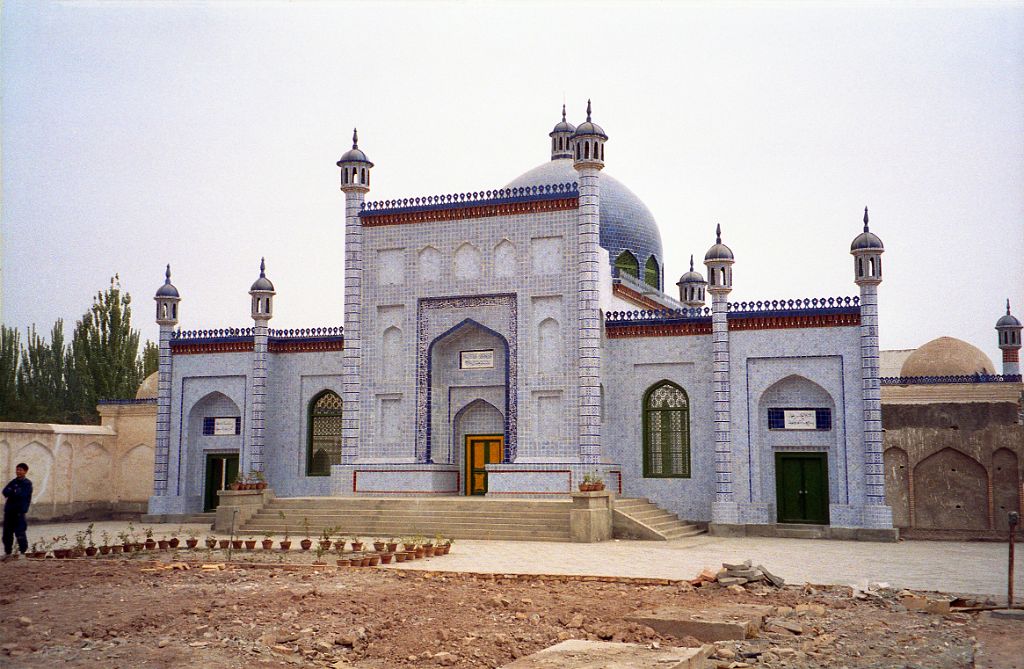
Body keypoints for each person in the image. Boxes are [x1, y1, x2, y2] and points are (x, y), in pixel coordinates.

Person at [3, 463, 32, 559]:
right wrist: (14, 491)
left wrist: (13, 491)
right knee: (7, 533)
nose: (18, 472)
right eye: (17, 469)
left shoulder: (27, 483)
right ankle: (8, 553)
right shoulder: (13, 482)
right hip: (9, 512)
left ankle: (22, 553)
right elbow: (5, 491)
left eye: (20, 470)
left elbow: (21, 495)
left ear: (25, 471)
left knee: (20, 533)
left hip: (19, 512)